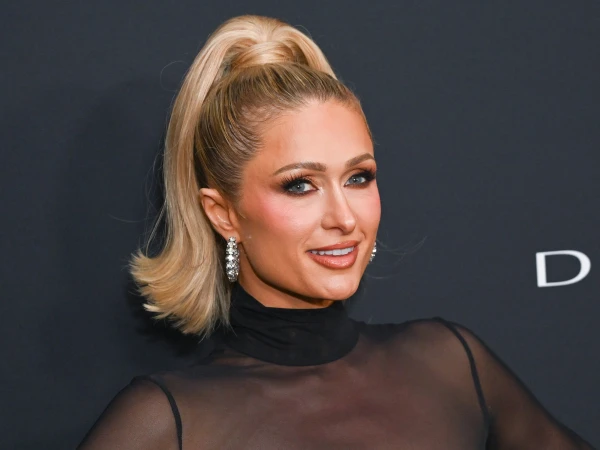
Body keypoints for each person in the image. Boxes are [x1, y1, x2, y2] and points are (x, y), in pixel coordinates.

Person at [78, 14, 594, 450]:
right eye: (300, 185)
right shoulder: (172, 422)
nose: (344, 217)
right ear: (223, 214)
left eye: (358, 177)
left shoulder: (451, 363)